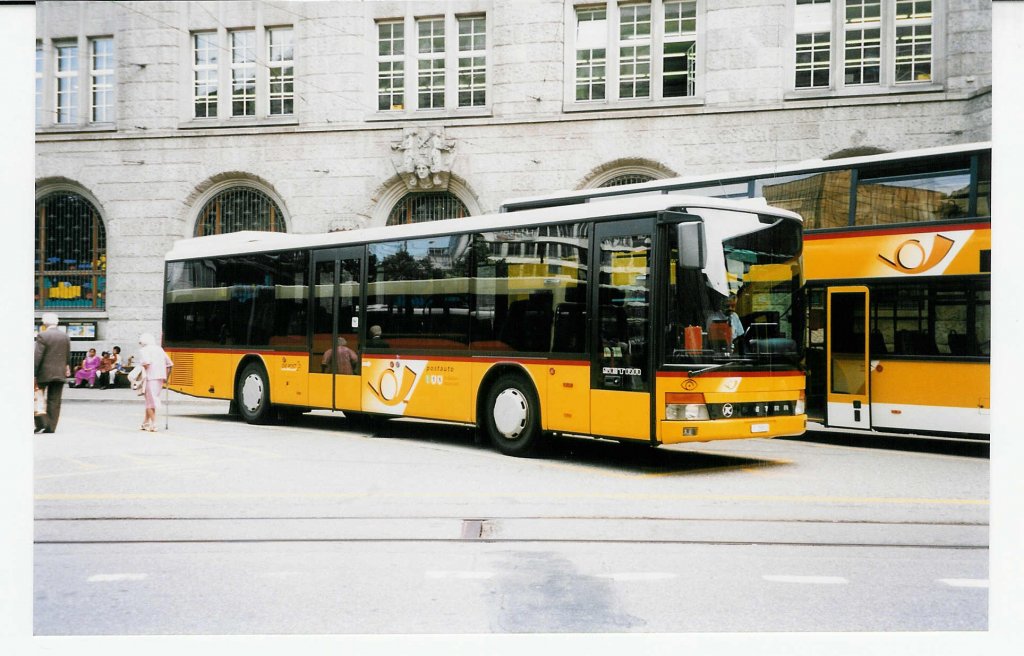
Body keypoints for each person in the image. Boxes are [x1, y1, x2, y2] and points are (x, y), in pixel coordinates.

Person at [34, 312, 71, 433]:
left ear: (44, 323)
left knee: (37, 397)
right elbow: (67, 355)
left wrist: (33, 373)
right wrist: (66, 367)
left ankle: (41, 422)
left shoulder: (42, 335)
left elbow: (38, 356)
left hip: (44, 373)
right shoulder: (65, 336)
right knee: (55, 400)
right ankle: (51, 427)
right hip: (59, 372)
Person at [137, 332, 173, 432]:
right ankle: (145, 423)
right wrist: (167, 377)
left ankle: (154, 424)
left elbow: (146, 364)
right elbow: (169, 364)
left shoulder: (144, 350)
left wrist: (140, 367)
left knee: (150, 402)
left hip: (149, 377)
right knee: (151, 400)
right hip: (160, 377)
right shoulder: (159, 349)